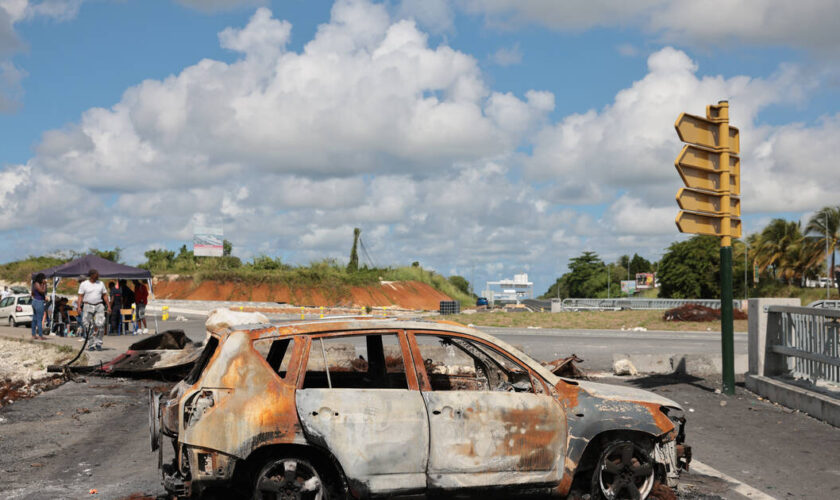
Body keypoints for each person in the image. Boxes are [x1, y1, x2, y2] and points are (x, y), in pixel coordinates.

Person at [77, 269, 110, 351]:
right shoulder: (84, 284)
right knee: (88, 326)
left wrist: (108, 306)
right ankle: (91, 344)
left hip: (99, 305)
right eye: (96, 275)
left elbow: (105, 295)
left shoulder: (101, 283)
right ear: (91, 275)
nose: (98, 276)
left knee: (101, 324)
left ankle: (98, 343)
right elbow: (80, 296)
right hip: (87, 305)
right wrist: (78, 307)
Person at [30, 273, 47, 340]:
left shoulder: (34, 284)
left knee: (34, 319)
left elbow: (33, 293)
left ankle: (33, 334)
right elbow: (42, 291)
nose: (44, 280)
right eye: (44, 278)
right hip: (39, 302)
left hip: (35, 301)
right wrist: (44, 284)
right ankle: (40, 335)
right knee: (39, 319)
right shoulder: (37, 284)